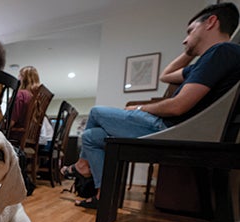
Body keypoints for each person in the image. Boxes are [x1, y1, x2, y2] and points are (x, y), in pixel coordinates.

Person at [61, 2, 240, 209]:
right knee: (91, 137)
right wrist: (191, 49)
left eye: (190, 31)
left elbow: (177, 107)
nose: (185, 39)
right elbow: (166, 75)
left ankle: (83, 166)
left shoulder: (222, 52)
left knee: (96, 112)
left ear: (211, 22)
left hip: (169, 128)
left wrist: (139, 108)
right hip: (172, 127)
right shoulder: (209, 59)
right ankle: (102, 195)